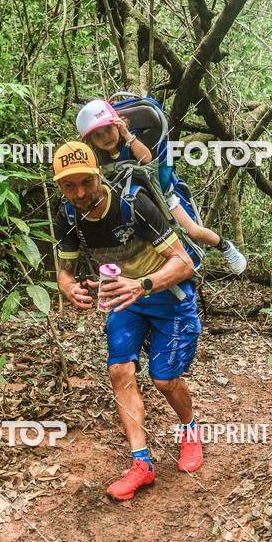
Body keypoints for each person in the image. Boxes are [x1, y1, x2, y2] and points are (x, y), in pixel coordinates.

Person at [53, 140, 204, 501]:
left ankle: (190, 430)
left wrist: (143, 284)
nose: (79, 192)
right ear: (59, 186)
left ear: (98, 174)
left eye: (85, 182)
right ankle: (141, 464)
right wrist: (69, 287)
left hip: (167, 294)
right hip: (124, 297)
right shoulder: (68, 215)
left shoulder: (133, 203)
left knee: (164, 379)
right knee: (120, 371)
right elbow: (63, 270)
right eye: (68, 185)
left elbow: (183, 262)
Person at [75, 99, 247, 274]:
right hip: (131, 207)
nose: (105, 137)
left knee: (193, 231)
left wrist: (127, 135)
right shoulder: (97, 159)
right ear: (90, 140)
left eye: (108, 129)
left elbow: (146, 159)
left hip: (160, 196)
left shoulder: (130, 142)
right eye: (97, 135)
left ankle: (225, 246)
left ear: (118, 125)